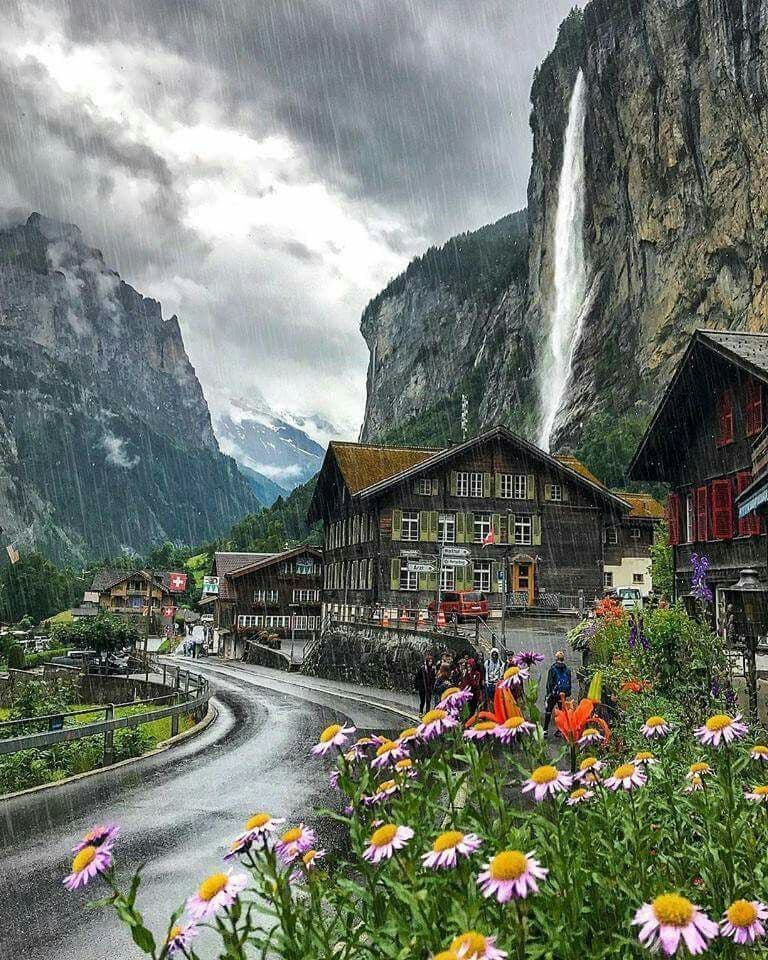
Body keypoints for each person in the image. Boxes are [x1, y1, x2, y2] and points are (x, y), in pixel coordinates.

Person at [544, 651, 572, 734]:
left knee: (549, 710)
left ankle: (545, 730)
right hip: (563, 694)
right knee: (561, 712)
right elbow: (569, 682)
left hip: (554, 694)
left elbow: (549, 683)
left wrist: (548, 694)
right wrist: (567, 693)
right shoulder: (567, 670)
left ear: (556, 658)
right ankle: (560, 730)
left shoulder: (553, 669)